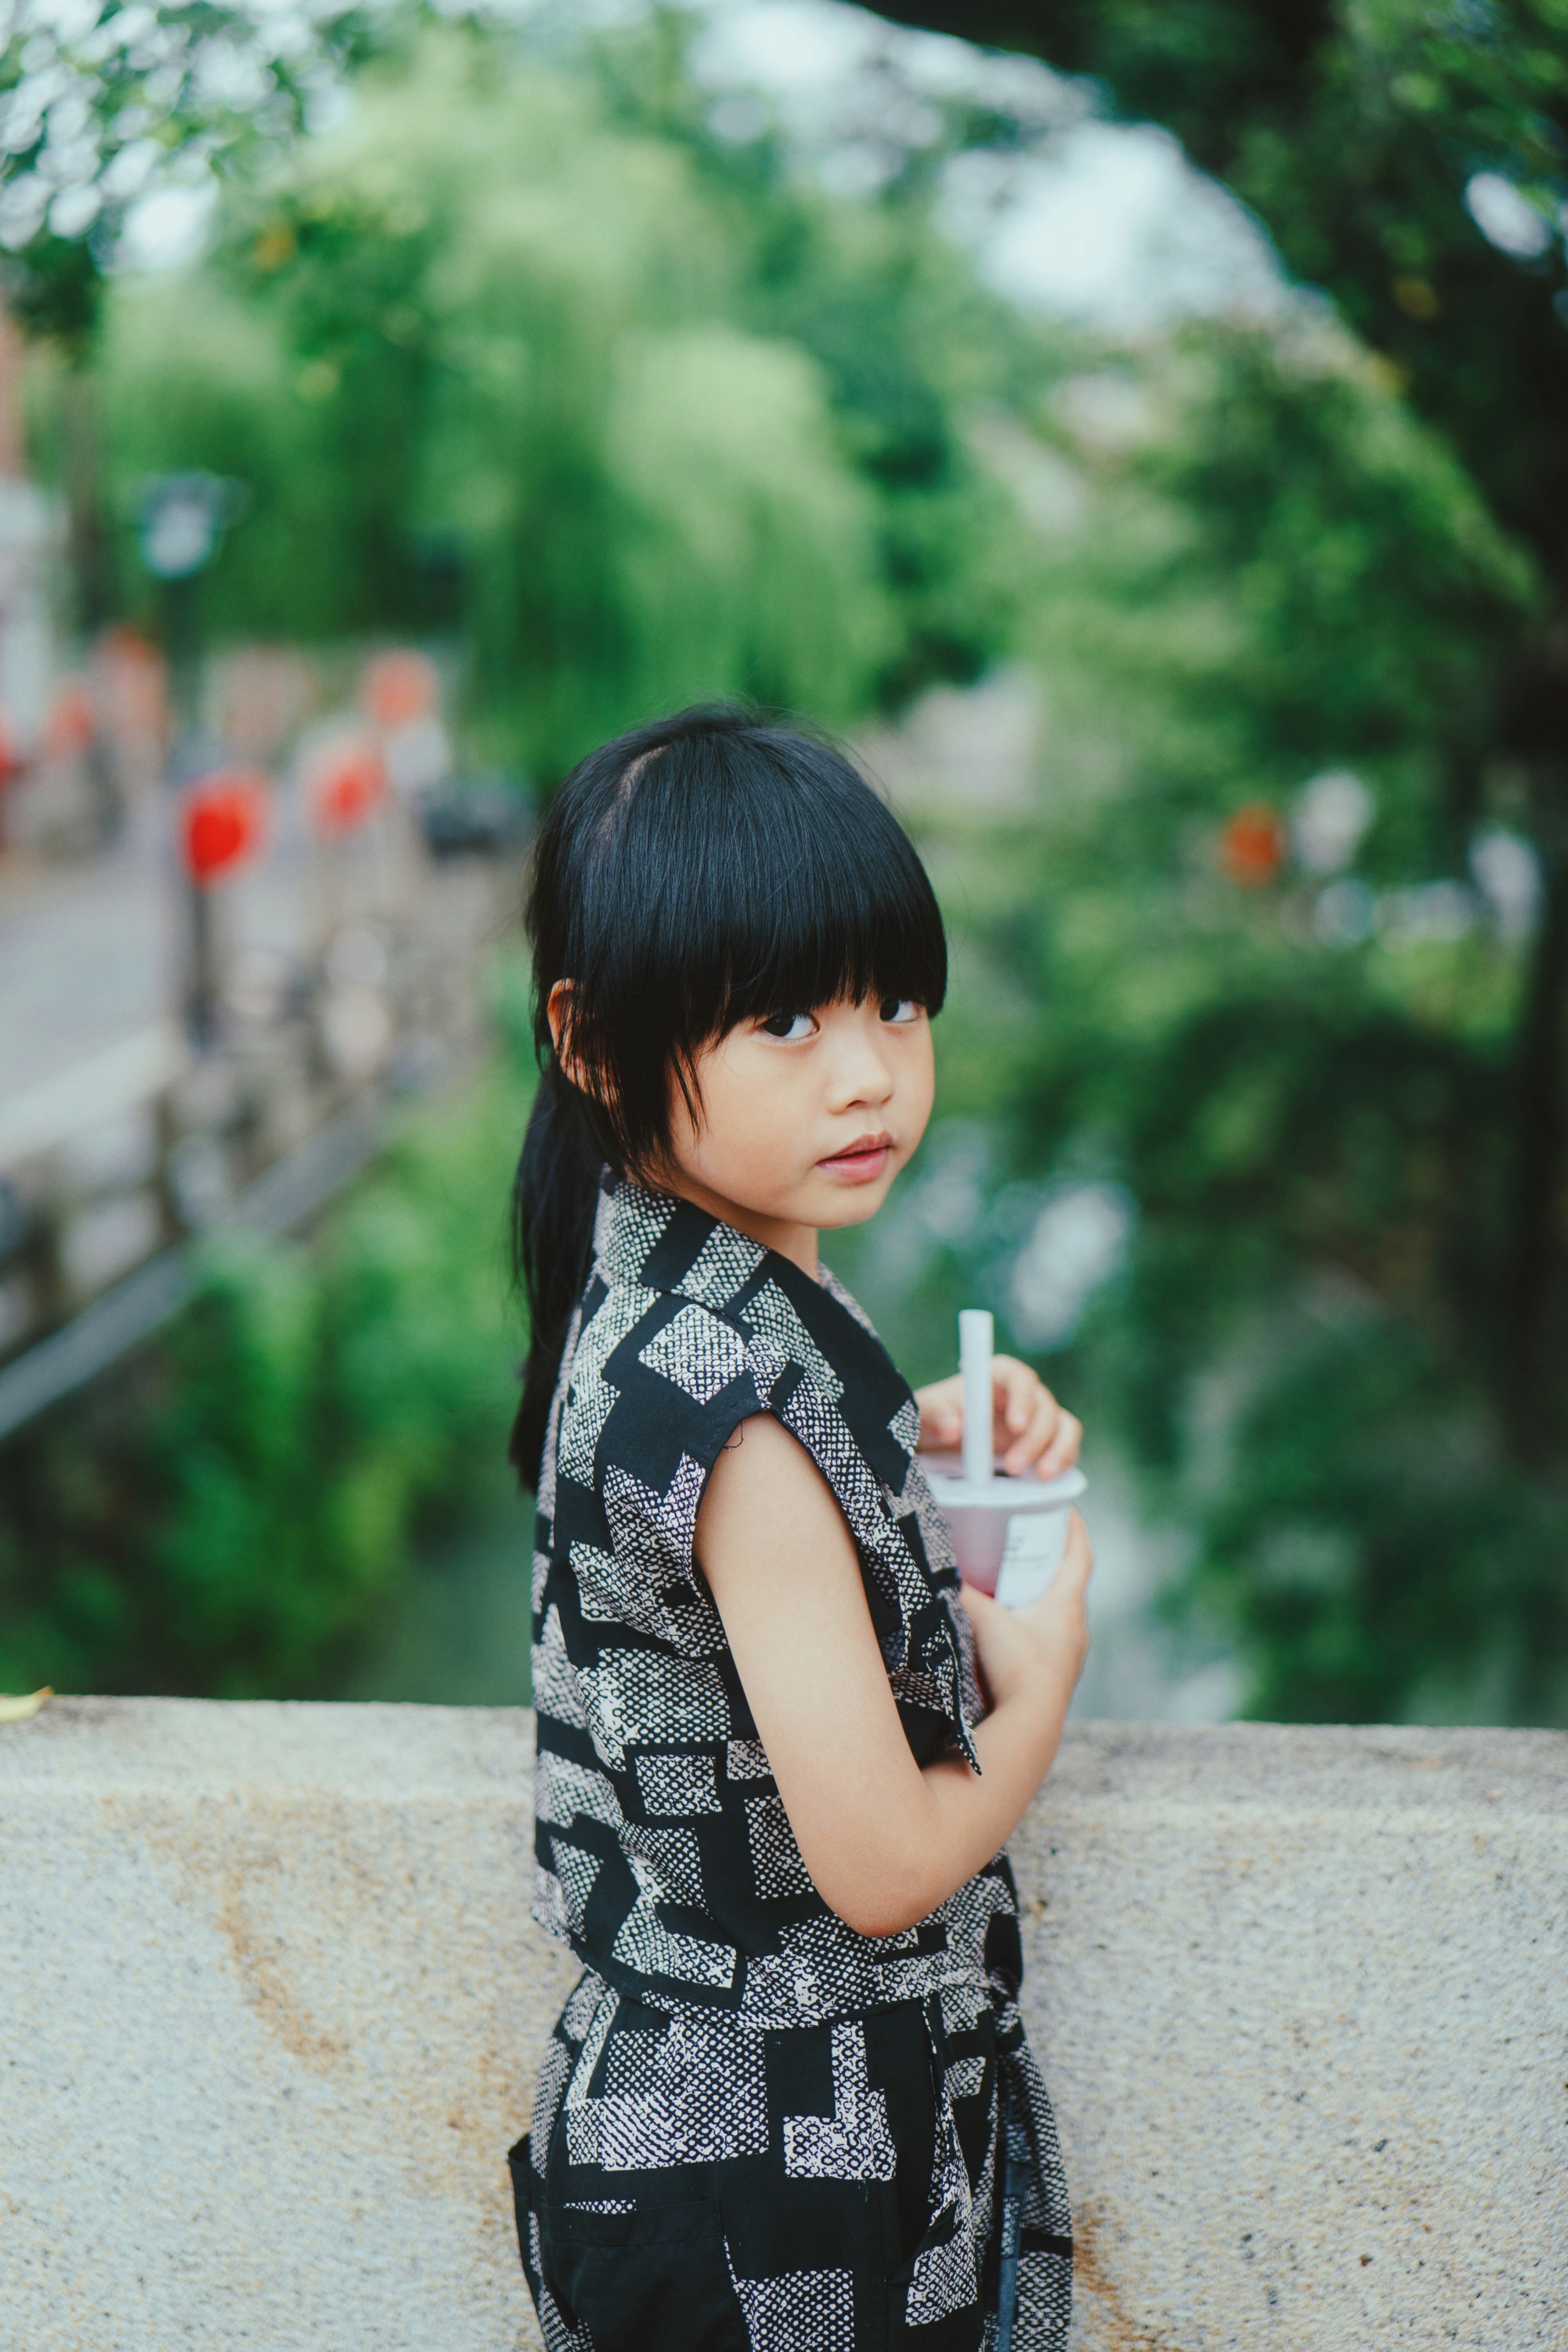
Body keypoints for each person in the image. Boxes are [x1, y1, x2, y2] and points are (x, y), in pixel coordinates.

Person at [507, 705, 1093, 2352]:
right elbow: (884, 1861)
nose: (870, 1072)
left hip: (704, 2146)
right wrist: (1043, 1676)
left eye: (896, 1003)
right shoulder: (742, 1422)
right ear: (595, 1042)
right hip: (775, 2190)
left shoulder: (661, 1300)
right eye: (783, 1018)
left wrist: (919, 1438)